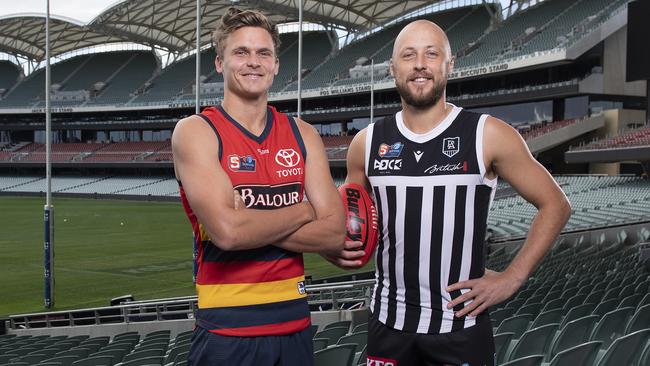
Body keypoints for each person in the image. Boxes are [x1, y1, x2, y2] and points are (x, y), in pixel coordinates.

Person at [328, 19, 571, 365]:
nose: (420, 65)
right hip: (387, 325)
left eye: (431, 54)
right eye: (409, 55)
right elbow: (349, 222)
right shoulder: (365, 144)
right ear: (394, 68)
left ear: (449, 64)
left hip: (460, 328)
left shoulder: (488, 135)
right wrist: (336, 247)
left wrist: (513, 277)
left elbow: (556, 204)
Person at [172, 8, 345, 366]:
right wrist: (304, 210)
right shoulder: (196, 131)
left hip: (296, 329)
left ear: (276, 64)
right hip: (227, 334)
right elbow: (229, 234)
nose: (254, 62)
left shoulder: (303, 134)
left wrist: (248, 219)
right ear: (220, 63)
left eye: (263, 53)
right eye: (241, 52)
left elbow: (333, 234)